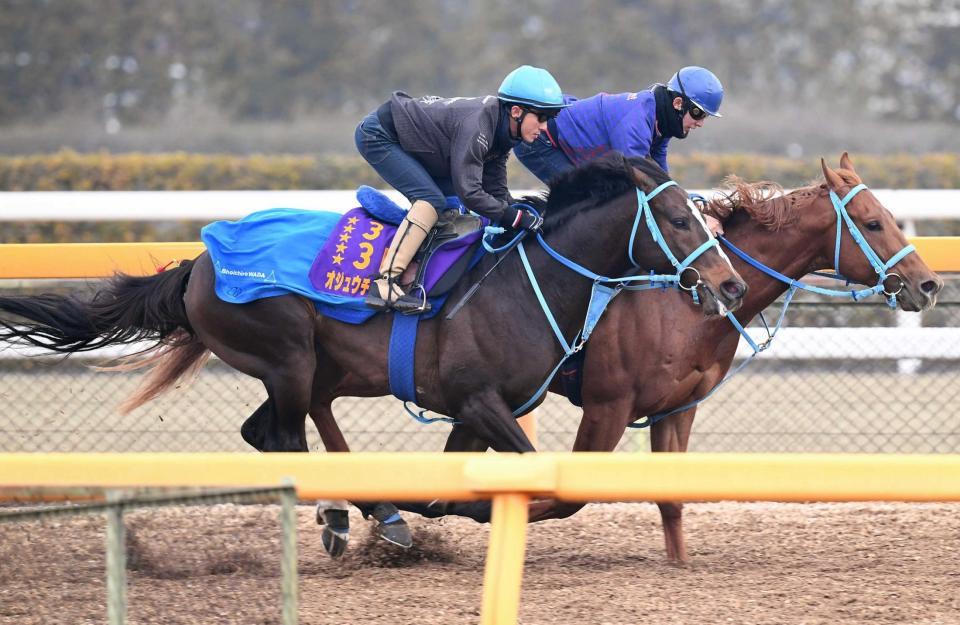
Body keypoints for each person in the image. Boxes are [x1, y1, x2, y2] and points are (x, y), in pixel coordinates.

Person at [355, 65, 568, 313]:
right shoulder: (478, 125)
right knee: (431, 201)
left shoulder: (504, 132)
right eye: (541, 117)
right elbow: (471, 193)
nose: (544, 127)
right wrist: (516, 218)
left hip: (412, 140)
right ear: (517, 111)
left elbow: (497, 194)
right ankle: (384, 284)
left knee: (451, 204)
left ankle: (417, 274)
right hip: (379, 135)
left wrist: (523, 212)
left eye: (549, 119)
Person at [513, 65, 725, 234]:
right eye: (699, 114)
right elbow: (642, 180)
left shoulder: (661, 121)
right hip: (539, 143)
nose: (701, 123)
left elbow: (661, 177)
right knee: (590, 203)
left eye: (705, 116)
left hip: (564, 140)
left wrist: (687, 203)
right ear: (678, 103)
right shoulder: (636, 119)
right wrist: (696, 216)